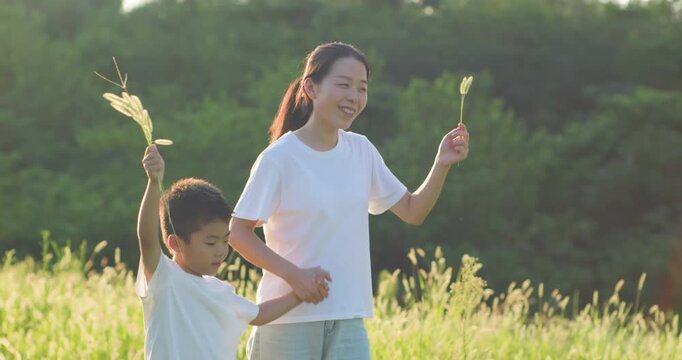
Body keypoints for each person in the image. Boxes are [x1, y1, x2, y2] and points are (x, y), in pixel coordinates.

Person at [228, 42, 470, 359]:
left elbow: (413, 211)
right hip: (287, 321)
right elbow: (237, 232)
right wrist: (295, 276)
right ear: (311, 88)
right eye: (343, 85)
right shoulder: (279, 158)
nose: (354, 97)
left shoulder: (362, 151)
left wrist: (441, 164)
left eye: (362, 88)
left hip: (348, 318)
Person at [134, 144, 330, 360]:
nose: (220, 251)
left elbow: (260, 314)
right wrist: (154, 183)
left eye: (225, 241)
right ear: (175, 244)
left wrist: (300, 293)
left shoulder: (221, 291)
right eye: (210, 243)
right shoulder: (165, 279)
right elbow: (146, 238)